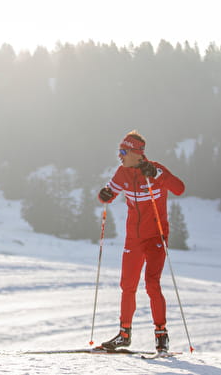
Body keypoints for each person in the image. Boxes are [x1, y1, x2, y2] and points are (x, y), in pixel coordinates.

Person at [97, 130, 185, 353]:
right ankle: (124, 334)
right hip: (133, 239)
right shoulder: (122, 172)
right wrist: (104, 195)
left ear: (137, 153)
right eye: (119, 151)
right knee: (127, 285)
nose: (120, 156)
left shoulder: (155, 169)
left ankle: (161, 335)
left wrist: (157, 174)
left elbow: (179, 188)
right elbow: (109, 192)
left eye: (124, 151)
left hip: (156, 236)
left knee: (152, 284)